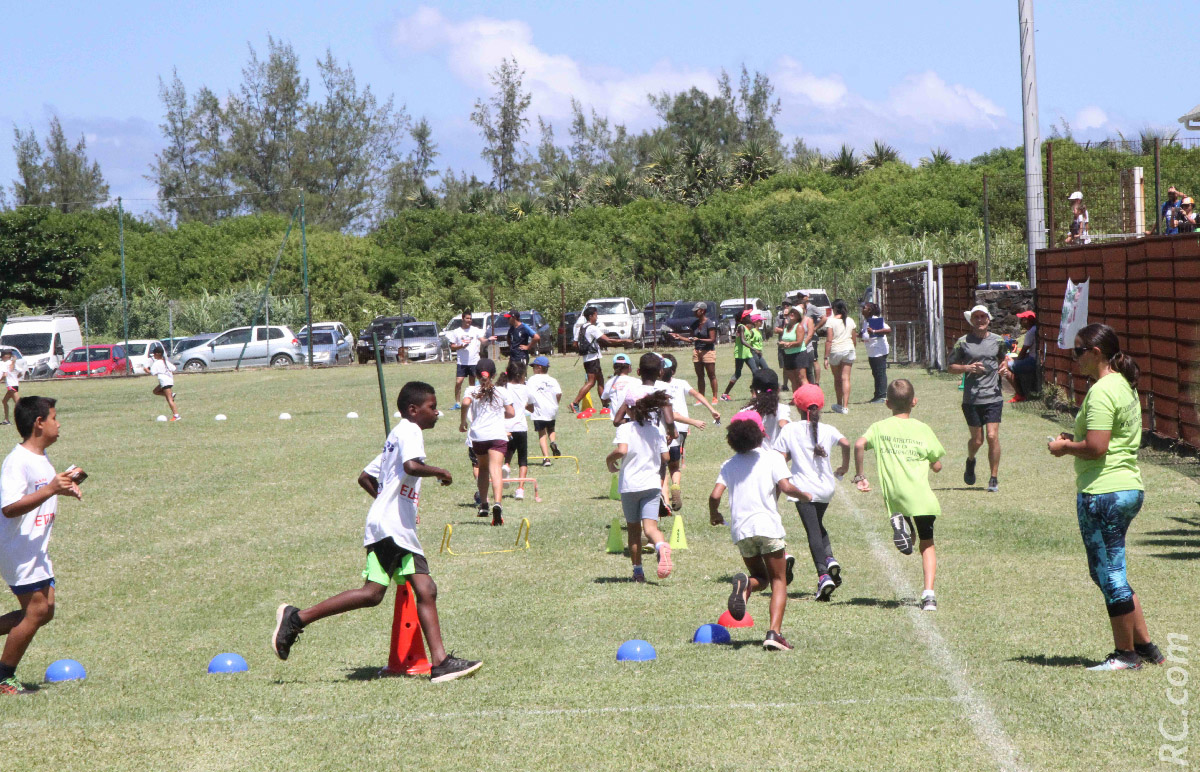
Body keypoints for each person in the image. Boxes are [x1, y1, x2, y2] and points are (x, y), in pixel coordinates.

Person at [271, 382, 482, 683]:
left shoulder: (396, 436)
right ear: (413, 410)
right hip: (393, 529)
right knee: (382, 592)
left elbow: (366, 476)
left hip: (395, 527)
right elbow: (411, 466)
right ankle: (297, 618)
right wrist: (441, 472)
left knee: (415, 590)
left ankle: (440, 662)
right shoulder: (410, 431)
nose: (437, 413)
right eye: (432, 408)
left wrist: (386, 504)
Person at [1047, 324, 1165, 671]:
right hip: (1126, 487)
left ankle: (1125, 656)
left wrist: (1064, 446)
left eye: (1078, 351)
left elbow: (1097, 448)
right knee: (1113, 573)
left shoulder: (1101, 391)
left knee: (1109, 574)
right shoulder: (1124, 387)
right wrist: (1074, 438)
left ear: (1096, 353)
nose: (1075, 358)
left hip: (1104, 492)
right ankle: (1146, 648)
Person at [0, 396, 83, 695]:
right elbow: (9, 507)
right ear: (39, 423)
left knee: (45, 611)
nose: (58, 423)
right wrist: (50, 489)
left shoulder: (40, 456)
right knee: (35, 610)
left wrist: (65, 487)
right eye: (54, 417)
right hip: (17, 548)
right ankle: (3, 678)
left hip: (36, 549)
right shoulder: (17, 461)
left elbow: (42, 490)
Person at [709, 410, 810, 651]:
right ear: (760, 434)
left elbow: (715, 495)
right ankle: (774, 634)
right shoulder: (772, 458)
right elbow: (785, 487)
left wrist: (715, 514)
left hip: (742, 531)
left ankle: (746, 587)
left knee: (761, 578)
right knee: (778, 580)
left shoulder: (728, 465)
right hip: (768, 527)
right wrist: (803, 494)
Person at [852, 379, 945, 611]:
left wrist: (860, 475)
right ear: (914, 402)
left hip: (896, 494)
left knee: (909, 541)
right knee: (927, 544)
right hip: (921, 497)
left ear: (887, 404)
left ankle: (902, 524)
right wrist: (933, 464)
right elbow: (937, 466)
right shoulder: (923, 429)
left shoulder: (879, 427)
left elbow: (859, 444)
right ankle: (929, 595)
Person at [774, 384, 850, 601]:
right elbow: (846, 443)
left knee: (812, 532)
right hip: (826, 489)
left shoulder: (789, 429)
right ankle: (830, 559)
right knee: (818, 525)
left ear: (798, 407)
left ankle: (823, 575)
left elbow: (779, 459)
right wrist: (844, 467)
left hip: (803, 491)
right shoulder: (828, 429)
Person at [607, 389, 675, 583]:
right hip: (652, 485)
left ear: (628, 409)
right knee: (651, 528)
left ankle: (638, 572)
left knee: (634, 530)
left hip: (631, 486)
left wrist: (609, 460)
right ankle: (661, 546)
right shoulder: (656, 430)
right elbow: (666, 458)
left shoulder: (625, 429)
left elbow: (622, 450)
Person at [947, 304, 1008, 493]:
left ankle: (993, 478)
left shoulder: (998, 341)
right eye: (976, 317)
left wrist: (1005, 367)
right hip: (972, 399)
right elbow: (950, 366)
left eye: (983, 317)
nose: (980, 320)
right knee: (978, 440)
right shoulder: (963, 342)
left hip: (993, 397)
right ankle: (971, 460)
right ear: (971, 321)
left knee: (992, 436)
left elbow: (1004, 358)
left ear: (989, 319)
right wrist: (967, 368)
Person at [660, 353, 721, 511]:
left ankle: (664, 499)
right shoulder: (681, 383)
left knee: (661, 465)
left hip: (665, 428)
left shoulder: (656, 387)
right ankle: (676, 486)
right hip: (681, 430)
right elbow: (697, 394)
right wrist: (712, 409)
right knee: (675, 465)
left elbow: (671, 414)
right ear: (672, 371)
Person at [459, 358, 516, 525]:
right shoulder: (502, 391)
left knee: (482, 468)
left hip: (479, 435)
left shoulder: (471, 389)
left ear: (476, 374)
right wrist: (499, 415)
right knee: (495, 469)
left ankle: (484, 504)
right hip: (497, 434)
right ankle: (497, 504)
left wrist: (463, 422)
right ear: (493, 374)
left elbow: (465, 403)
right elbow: (511, 413)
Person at [571, 306, 633, 413]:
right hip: (593, 358)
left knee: (600, 380)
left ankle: (605, 405)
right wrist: (624, 341)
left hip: (587, 358)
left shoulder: (580, 328)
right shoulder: (592, 328)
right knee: (591, 382)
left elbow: (574, 344)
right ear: (591, 316)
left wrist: (583, 350)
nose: (597, 317)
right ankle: (575, 403)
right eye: (595, 315)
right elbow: (607, 340)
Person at [497, 361, 533, 501]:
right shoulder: (526, 388)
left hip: (505, 427)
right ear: (522, 375)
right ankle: (520, 489)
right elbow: (532, 407)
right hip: (520, 427)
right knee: (523, 459)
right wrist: (526, 406)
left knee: (508, 451)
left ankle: (506, 465)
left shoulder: (503, 388)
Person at [669, 303, 718, 399]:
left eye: (697, 310)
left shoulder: (709, 323)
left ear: (702, 311)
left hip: (708, 351)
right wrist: (679, 337)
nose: (695, 312)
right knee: (700, 376)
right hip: (697, 351)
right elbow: (691, 339)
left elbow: (712, 340)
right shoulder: (695, 324)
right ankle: (701, 397)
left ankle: (714, 397)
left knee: (711, 375)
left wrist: (699, 340)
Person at [445, 312, 491, 410]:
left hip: (474, 361)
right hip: (462, 362)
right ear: (463, 319)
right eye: (467, 318)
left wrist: (489, 340)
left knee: (472, 384)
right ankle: (457, 403)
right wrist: (461, 346)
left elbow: (483, 340)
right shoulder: (456, 332)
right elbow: (452, 346)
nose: (469, 320)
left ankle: (472, 402)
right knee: (458, 382)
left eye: (470, 319)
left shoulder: (475, 330)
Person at [738, 368, 790, 447]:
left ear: (754, 391)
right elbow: (784, 426)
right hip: (775, 456)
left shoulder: (745, 412)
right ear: (778, 390)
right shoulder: (782, 409)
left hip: (752, 457)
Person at [721, 312, 767, 400]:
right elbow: (742, 340)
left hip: (747, 354)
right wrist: (754, 349)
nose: (750, 317)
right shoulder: (741, 327)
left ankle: (754, 393)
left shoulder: (746, 327)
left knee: (755, 372)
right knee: (737, 374)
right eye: (748, 316)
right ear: (744, 318)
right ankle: (725, 394)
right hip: (740, 354)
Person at [526, 356, 562, 465]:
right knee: (551, 428)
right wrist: (556, 403)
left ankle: (546, 458)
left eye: (534, 367)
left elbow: (528, 394)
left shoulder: (532, 380)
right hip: (551, 409)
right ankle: (553, 442)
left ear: (539, 367)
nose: (532, 369)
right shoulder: (552, 380)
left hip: (539, 410)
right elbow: (559, 393)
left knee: (542, 434)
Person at [824, 299, 858, 414]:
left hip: (836, 350)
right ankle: (845, 406)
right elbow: (854, 338)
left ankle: (839, 403)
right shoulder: (850, 320)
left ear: (834, 308)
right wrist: (853, 348)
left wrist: (825, 357)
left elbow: (829, 340)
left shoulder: (831, 321)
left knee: (837, 379)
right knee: (846, 378)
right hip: (848, 349)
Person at [1004, 310, 1038, 403]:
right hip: (1033, 358)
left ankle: (1020, 394)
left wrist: (1015, 361)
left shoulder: (1031, 332)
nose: (1021, 321)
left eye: (1023, 319)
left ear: (1028, 320)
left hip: (1032, 361)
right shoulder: (1035, 329)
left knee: (1005, 366)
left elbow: (1023, 352)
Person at [860, 302, 891, 404]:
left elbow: (888, 329)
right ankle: (877, 395)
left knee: (880, 373)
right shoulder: (866, 321)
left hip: (879, 350)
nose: (862, 309)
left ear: (869, 310)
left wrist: (874, 331)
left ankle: (882, 396)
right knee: (875, 373)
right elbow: (865, 334)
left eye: (864, 307)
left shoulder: (875, 319)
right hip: (872, 351)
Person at [143, 343, 180, 421]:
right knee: (155, 391)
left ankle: (176, 416)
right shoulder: (165, 361)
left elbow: (152, 372)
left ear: (158, 354)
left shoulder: (157, 363)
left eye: (154, 354)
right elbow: (173, 368)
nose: (154, 356)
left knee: (169, 399)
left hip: (164, 381)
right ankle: (172, 394)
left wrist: (147, 370)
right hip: (169, 380)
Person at [601, 353, 641, 419]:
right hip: (633, 417)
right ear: (629, 367)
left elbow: (604, 399)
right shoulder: (636, 381)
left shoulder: (610, 382)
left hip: (617, 419)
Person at [776, 307, 806, 394]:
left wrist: (787, 344)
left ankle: (808, 399)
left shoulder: (799, 326)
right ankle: (796, 398)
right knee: (793, 379)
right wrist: (781, 343)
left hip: (799, 354)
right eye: (791, 312)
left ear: (798, 316)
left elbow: (799, 342)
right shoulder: (786, 327)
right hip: (788, 355)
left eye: (795, 313)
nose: (792, 314)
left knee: (802, 378)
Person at [803, 294, 827, 386]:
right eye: (799, 296)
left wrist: (815, 328)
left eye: (803, 296)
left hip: (812, 339)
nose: (801, 298)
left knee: (814, 360)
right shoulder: (800, 309)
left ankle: (816, 383)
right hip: (803, 338)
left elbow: (824, 318)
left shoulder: (812, 308)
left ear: (807, 297)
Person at [0, 350, 19, 427]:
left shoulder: (5, 363)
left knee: (19, 404)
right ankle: (6, 420)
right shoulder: (12, 363)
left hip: (11, 385)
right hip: (14, 385)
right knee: (4, 401)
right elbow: (20, 373)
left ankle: (28, 419)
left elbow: (5, 374)